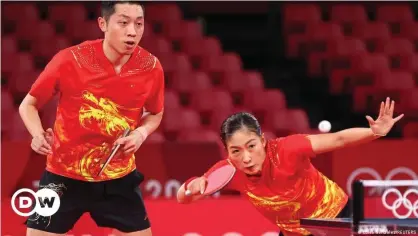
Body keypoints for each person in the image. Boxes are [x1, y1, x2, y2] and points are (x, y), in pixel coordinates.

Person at [18, 1, 163, 235]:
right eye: (123, 23)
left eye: (139, 24)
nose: (132, 32)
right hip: (62, 177)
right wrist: (37, 135)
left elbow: (155, 113)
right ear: (103, 24)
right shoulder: (69, 60)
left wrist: (140, 133)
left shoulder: (151, 67)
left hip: (118, 177)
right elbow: (29, 104)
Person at [177, 98, 403, 236]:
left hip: (335, 216)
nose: (245, 157)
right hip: (295, 232)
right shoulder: (227, 171)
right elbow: (183, 198)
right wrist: (191, 187)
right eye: (236, 151)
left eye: (251, 146)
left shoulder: (289, 149)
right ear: (227, 151)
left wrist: (374, 132)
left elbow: (338, 139)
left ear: (263, 141)